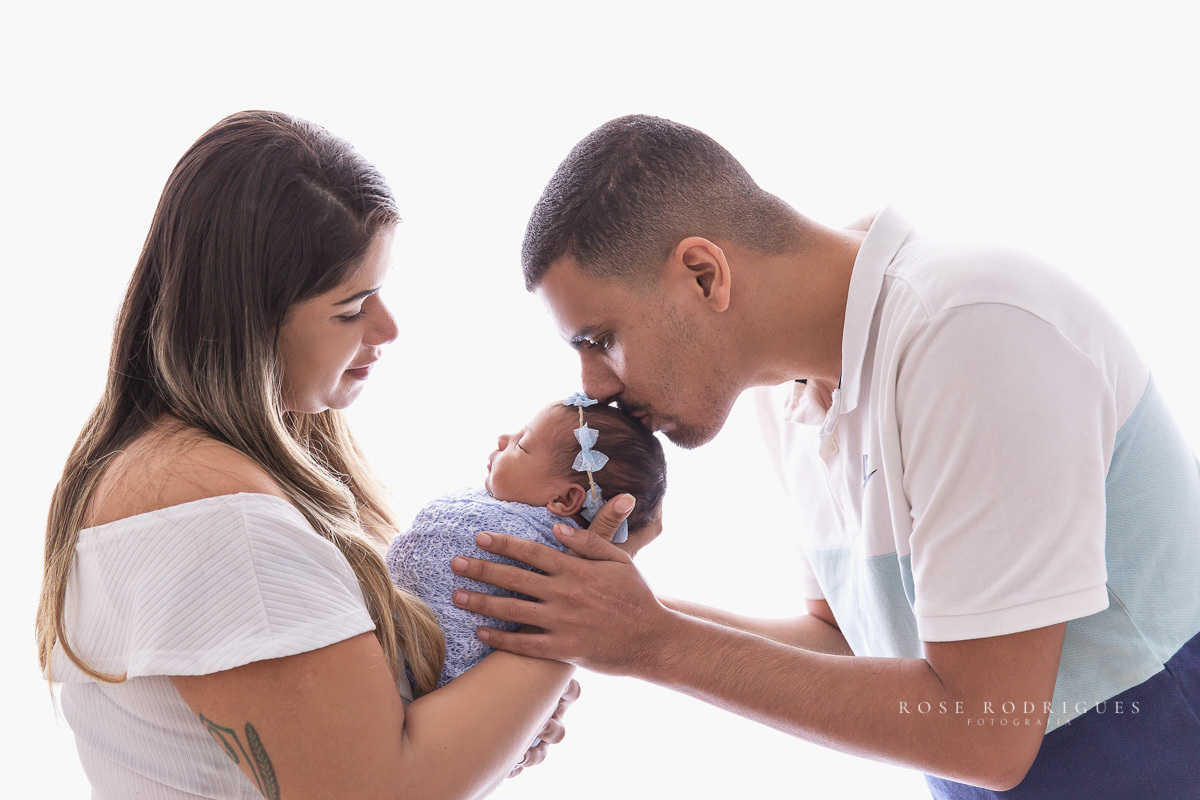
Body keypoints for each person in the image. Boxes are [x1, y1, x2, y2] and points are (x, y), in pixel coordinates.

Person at [448, 115, 1200, 797]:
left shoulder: (972, 332)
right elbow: (844, 641)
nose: (590, 386)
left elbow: (984, 732)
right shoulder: (789, 389)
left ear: (703, 274)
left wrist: (650, 642)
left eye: (601, 338)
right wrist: (593, 607)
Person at [35, 110, 635, 799]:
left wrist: (494, 729)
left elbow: (363, 748)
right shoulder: (213, 512)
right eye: (351, 309)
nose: (388, 327)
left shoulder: (201, 477)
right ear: (249, 324)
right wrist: (573, 618)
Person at [388, 397, 667, 687]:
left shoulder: (539, 547)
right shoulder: (497, 512)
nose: (503, 439)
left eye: (521, 445)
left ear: (564, 499)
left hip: (447, 685)